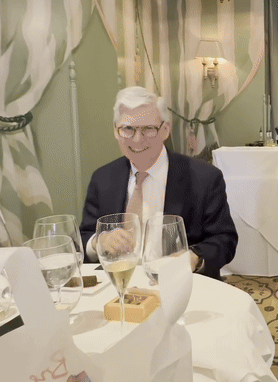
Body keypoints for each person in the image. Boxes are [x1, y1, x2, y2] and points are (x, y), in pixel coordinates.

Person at [79, 86, 238, 279]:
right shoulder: (103, 178)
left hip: (181, 284)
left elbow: (224, 239)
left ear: (165, 130)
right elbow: (84, 235)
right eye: (128, 129)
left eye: (148, 129)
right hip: (118, 284)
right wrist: (99, 241)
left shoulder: (203, 178)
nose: (138, 140)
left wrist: (194, 257)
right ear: (115, 130)